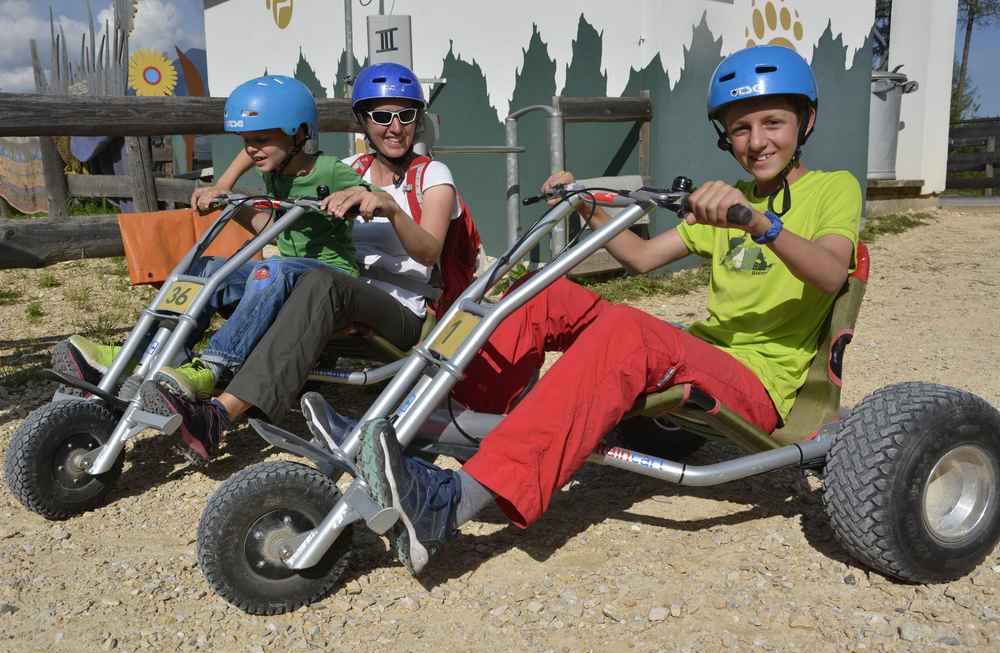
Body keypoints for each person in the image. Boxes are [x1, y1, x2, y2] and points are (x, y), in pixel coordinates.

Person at [354, 45, 863, 576]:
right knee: (537, 292)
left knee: (631, 331)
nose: (757, 141)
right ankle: (446, 428)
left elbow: (832, 273)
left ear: (806, 121)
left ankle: (450, 502)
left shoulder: (832, 189)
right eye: (741, 128)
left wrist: (760, 225)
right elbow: (643, 258)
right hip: (704, 356)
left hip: (759, 387)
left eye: (773, 123)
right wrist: (589, 204)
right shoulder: (727, 197)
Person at [137, 62, 473, 463]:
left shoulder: (432, 175)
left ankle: (218, 413)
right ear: (364, 122)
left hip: (401, 310)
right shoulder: (348, 171)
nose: (395, 127)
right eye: (382, 116)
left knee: (319, 281)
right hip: (335, 289)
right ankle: (149, 360)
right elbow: (281, 227)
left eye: (406, 115)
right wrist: (233, 198)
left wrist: (392, 210)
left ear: (418, 120)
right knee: (214, 266)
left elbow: (429, 252)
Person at [52, 74, 385, 402]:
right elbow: (254, 162)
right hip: (284, 271)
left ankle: (214, 366)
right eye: (247, 141)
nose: (252, 150)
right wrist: (222, 186)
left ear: (297, 133)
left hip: (330, 278)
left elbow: (378, 198)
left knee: (273, 271)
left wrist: (359, 196)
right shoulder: (274, 160)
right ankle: (142, 353)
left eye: (261, 140)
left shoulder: (329, 170)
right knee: (205, 268)